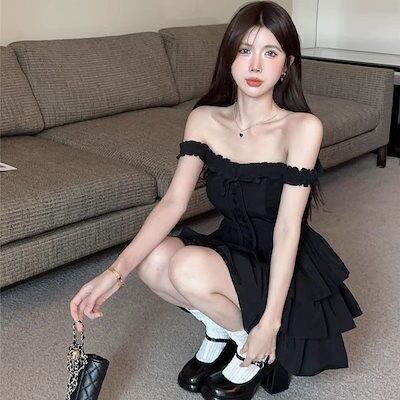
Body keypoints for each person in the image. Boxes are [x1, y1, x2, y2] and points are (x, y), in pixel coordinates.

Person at [70, 1, 363, 399]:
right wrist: (114, 273)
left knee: (187, 265)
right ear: (229, 57)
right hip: (232, 246)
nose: (255, 65)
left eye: (270, 52)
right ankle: (225, 331)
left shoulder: (302, 128)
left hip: (280, 262)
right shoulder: (205, 119)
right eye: (245, 50)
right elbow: (173, 203)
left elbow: (287, 227)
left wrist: (270, 323)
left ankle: (258, 348)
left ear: (287, 65)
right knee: (152, 261)